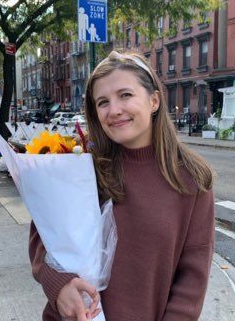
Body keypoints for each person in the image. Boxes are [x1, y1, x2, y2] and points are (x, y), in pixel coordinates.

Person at [29, 50, 215, 321]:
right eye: (102, 102)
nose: (114, 110)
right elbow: (41, 240)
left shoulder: (192, 179)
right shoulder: (77, 165)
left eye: (125, 95)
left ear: (153, 100)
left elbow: (192, 279)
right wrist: (57, 285)